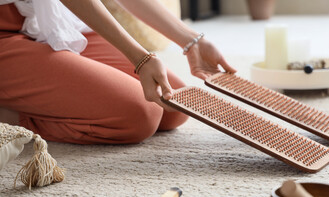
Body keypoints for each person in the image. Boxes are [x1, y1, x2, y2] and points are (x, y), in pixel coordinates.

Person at [0, 0, 236, 144]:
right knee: (138, 117)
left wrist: (191, 41)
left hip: (48, 21)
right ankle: (8, 117)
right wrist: (140, 58)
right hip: (5, 32)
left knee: (173, 108)